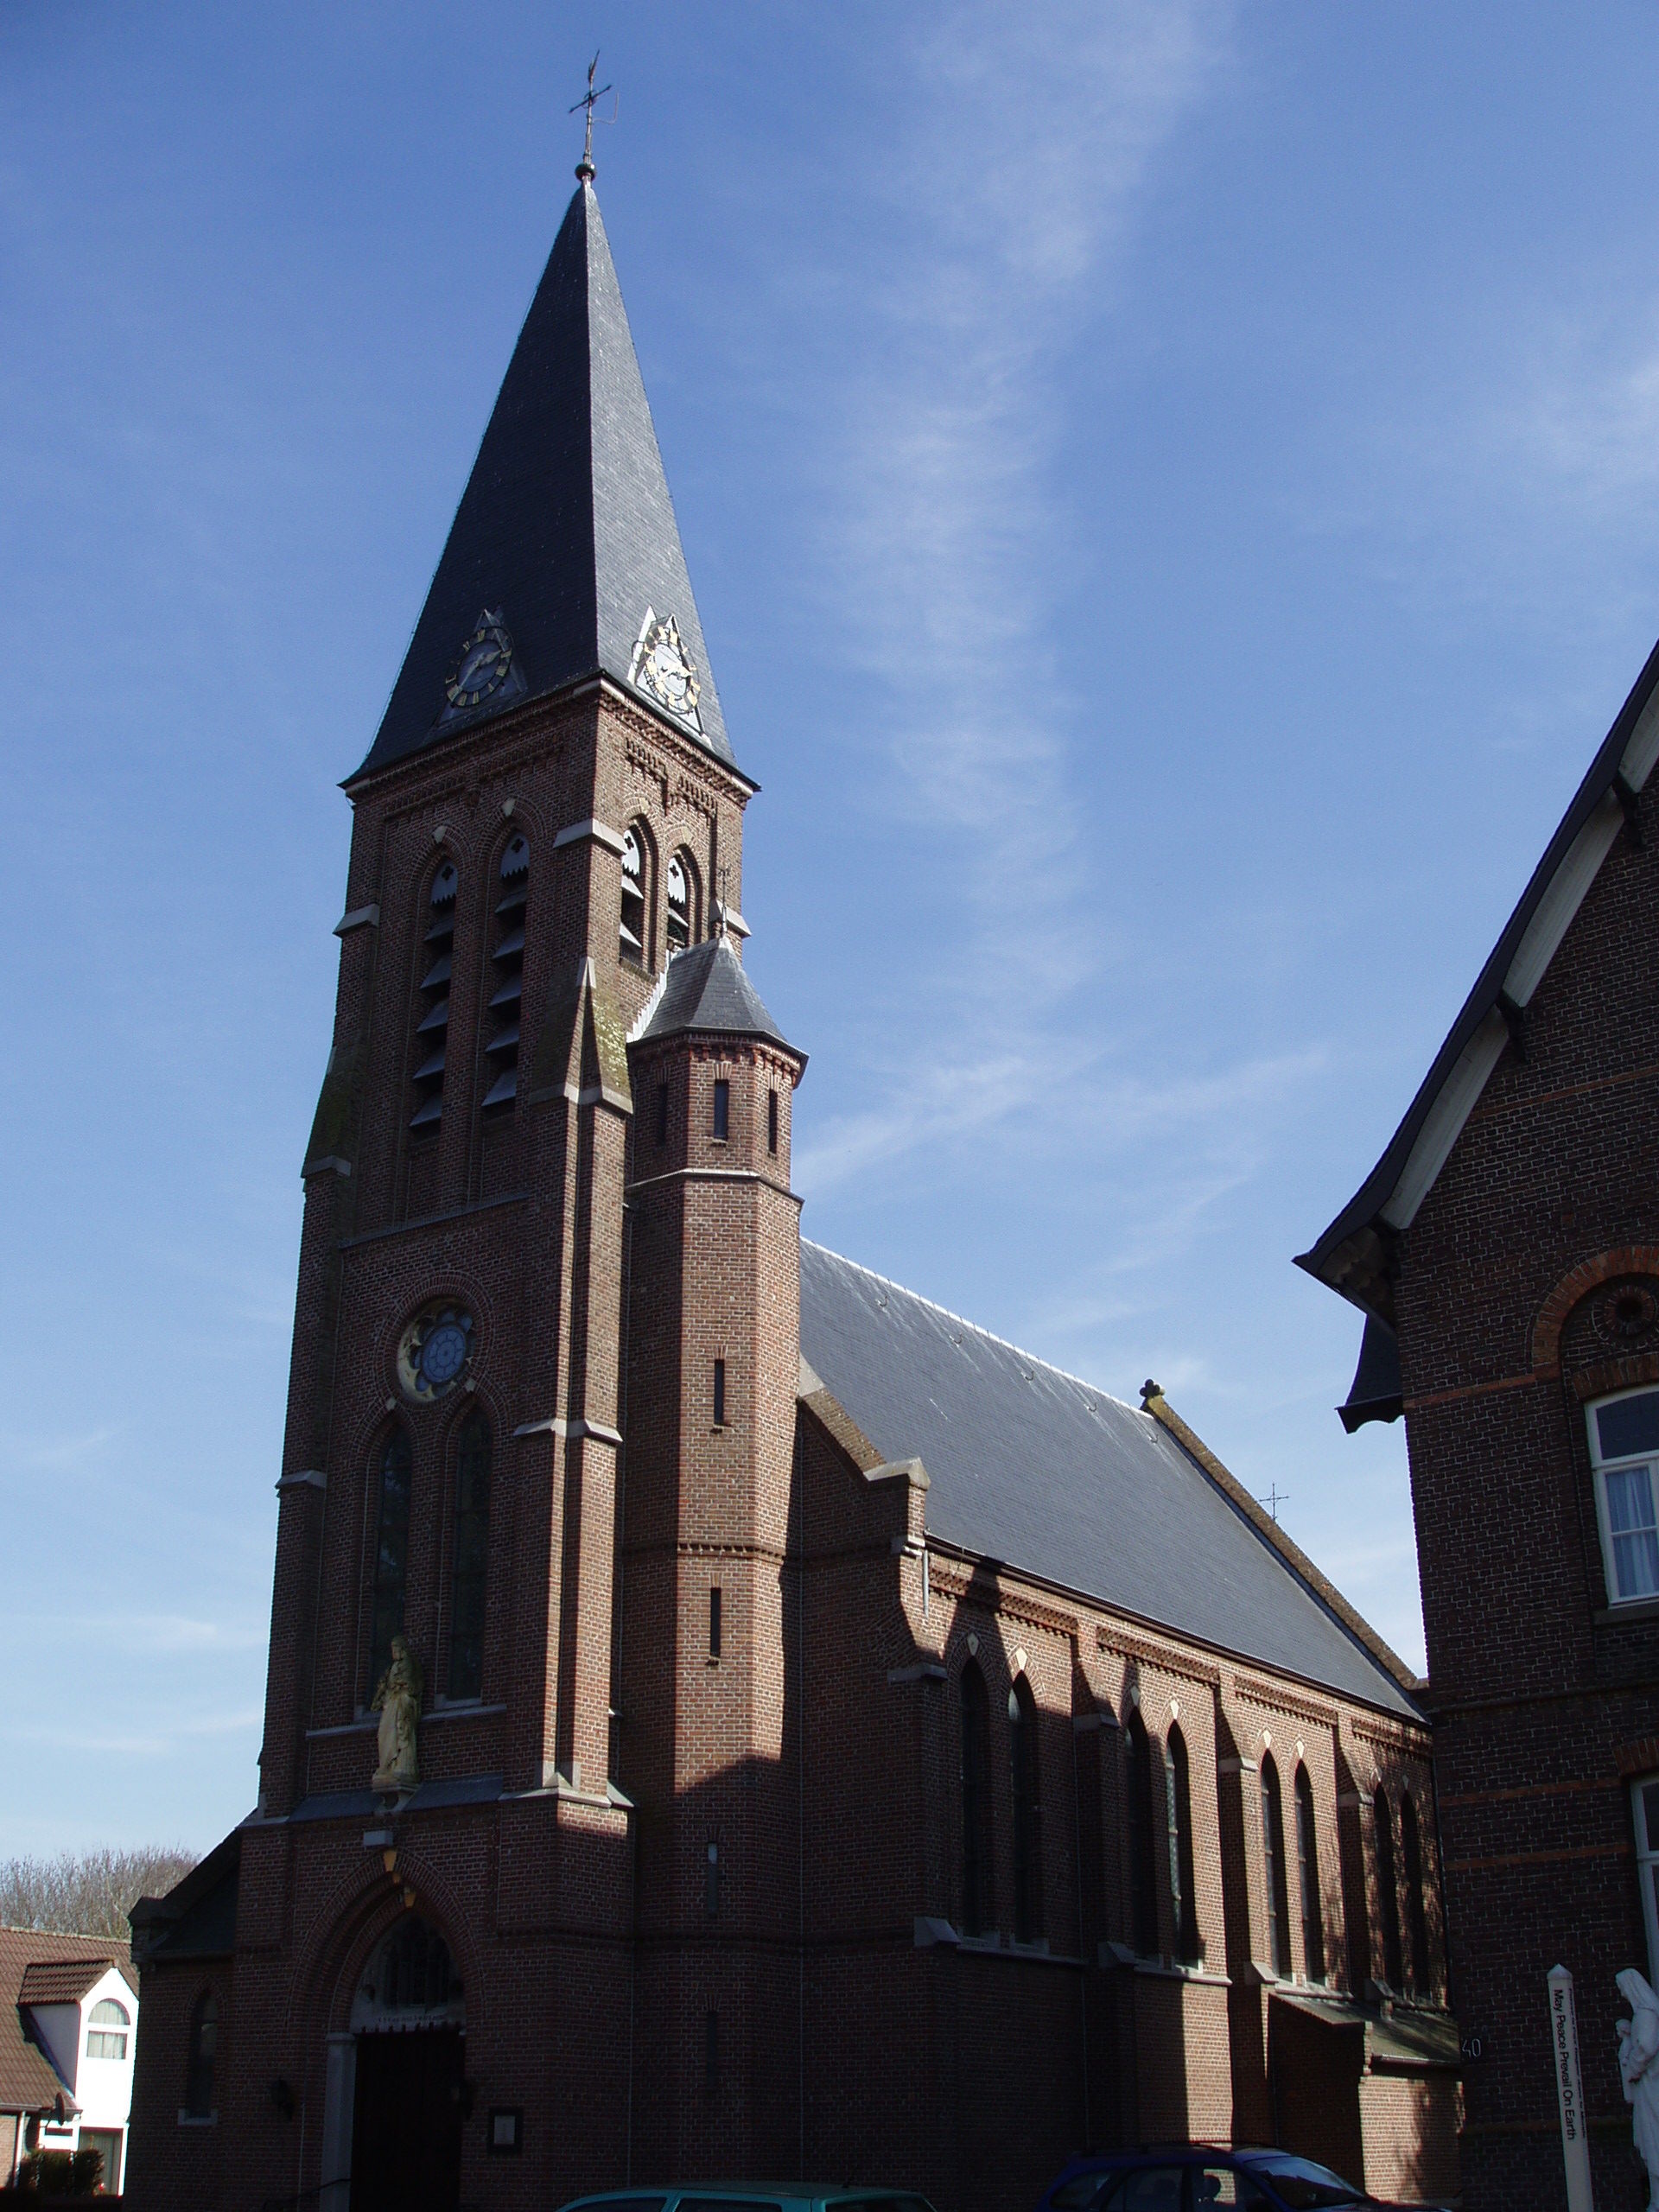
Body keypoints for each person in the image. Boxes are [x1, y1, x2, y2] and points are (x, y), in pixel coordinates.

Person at [1618, 1967, 1659, 2211]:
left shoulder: (1645, 2015)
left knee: (1654, 2141)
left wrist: (1631, 2066)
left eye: (1623, 1988)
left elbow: (1646, 2047)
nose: (1622, 1994)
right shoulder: (1643, 2016)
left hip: (1651, 2092)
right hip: (1648, 2090)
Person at [371, 1635, 423, 1791]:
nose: (393, 1652)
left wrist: (398, 1685)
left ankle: (401, 1765)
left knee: (400, 1731)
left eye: (396, 1649)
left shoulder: (408, 1664)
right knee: (384, 1734)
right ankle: (387, 1765)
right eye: (392, 1649)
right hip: (391, 1703)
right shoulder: (393, 1667)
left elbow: (410, 1684)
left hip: (401, 1703)